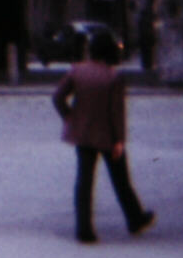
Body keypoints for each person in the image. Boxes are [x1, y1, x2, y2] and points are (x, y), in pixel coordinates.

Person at [52, 30, 154, 244]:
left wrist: (70, 117)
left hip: (83, 134)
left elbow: (58, 97)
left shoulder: (76, 71)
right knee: (121, 181)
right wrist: (119, 140)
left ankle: (84, 229)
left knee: (84, 182)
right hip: (107, 135)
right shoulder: (113, 77)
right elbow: (116, 112)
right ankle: (135, 219)